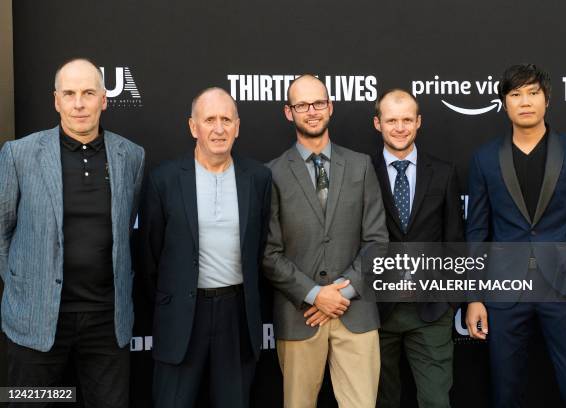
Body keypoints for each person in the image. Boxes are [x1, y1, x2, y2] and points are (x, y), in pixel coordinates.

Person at [0, 57, 145, 407]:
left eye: (88, 93)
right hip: (35, 320)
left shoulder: (132, 157)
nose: (79, 103)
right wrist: (20, 285)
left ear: (104, 99)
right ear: (56, 100)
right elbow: (2, 229)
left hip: (106, 323)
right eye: (69, 93)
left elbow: (126, 229)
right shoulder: (19, 155)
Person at [465, 64, 566, 407]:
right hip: (505, 293)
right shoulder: (485, 159)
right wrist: (473, 297)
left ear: (547, 99)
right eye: (516, 94)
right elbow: (476, 231)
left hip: (564, 288)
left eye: (533, 93)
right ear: (505, 103)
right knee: (506, 393)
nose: (525, 101)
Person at [139, 87, 272, 407]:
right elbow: (149, 257)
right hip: (182, 315)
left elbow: (262, 249)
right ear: (192, 126)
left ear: (237, 127)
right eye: (209, 119)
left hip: (236, 315)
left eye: (226, 119)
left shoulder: (258, 177)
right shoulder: (165, 179)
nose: (218, 128)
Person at [263, 74, 388, 408]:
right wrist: (315, 296)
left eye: (318, 103)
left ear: (330, 107)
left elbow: (377, 242)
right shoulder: (271, 174)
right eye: (302, 105)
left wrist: (339, 295)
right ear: (289, 112)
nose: (312, 111)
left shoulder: (361, 166)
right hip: (299, 316)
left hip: (356, 313)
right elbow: (269, 253)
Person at [372, 89, 464, 408]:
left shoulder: (444, 172)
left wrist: (452, 300)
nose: (400, 127)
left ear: (418, 122)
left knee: (436, 400)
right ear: (378, 123)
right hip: (376, 311)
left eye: (407, 119)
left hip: (431, 310)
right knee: (382, 400)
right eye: (392, 120)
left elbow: (454, 240)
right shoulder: (361, 173)